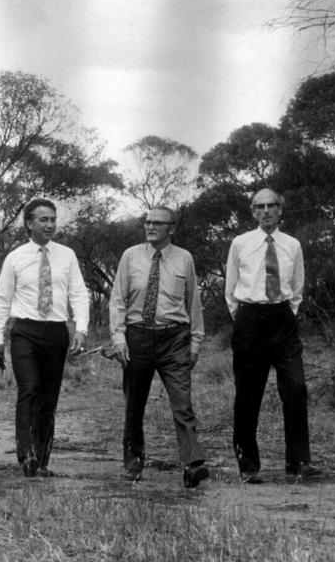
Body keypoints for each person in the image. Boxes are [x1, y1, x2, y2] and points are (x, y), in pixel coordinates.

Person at [108, 206, 210, 489]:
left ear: (172, 229)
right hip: (137, 337)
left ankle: (192, 464)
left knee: (182, 403)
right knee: (134, 406)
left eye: (157, 223)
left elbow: (193, 303)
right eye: (147, 222)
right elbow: (117, 299)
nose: (150, 227)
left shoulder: (184, 258)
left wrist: (195, 342)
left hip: (174, 339)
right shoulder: (130, 256)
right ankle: (133, 462)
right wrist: (118, 338)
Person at [224, 188, 321, 483]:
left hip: (283, 320)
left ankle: (298, 462)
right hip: (250, 321)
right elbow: (231, 289)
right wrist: (244, 317)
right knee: (248, 394)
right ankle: (249, 466)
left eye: (272, 206)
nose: (266, 211)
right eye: (260, 206)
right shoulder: (240, 243)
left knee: (296, 387)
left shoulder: (292, 245)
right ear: (253, 212)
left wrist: (287, 312)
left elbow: (297, 285)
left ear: (281, 210)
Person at [0, 199, 89, 478]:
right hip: (25, 331)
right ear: (29, 224)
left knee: (49, 397)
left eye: (52, 219)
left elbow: (79, 294)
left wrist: (80, 329)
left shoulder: (67, 255)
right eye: (43, 219)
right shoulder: (16, 257)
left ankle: (42, 459)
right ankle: (26, 453)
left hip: (56, 331)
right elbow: (1, 298)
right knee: (29, 388)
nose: (49, 225)